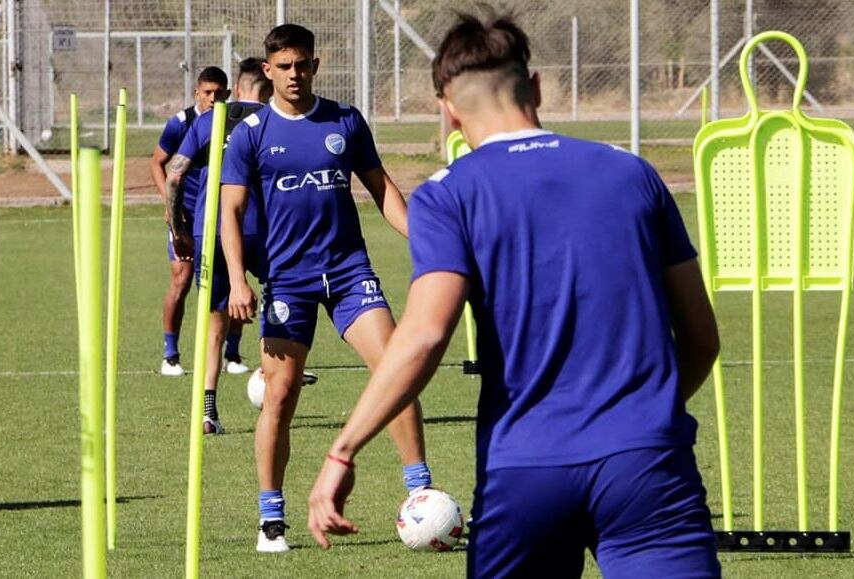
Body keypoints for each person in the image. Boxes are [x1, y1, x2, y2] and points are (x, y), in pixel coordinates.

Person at [307, 11, 722, 578]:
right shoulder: (633, 174)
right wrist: (645, 419)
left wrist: (343, 450)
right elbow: (701, 338)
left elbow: (426, 335)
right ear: (538, 87)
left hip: (526, 469)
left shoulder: (447, 196)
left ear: (448, 111)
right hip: (646, 463)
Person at [219, 24, 433, 553]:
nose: (294, 74)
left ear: (316, 65)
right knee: (280, 395)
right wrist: (237, 279)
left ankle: (421, 495)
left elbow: (384, 192)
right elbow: (231, 210)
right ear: (268, 71)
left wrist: (429, 240)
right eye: (284, 66)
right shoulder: (250, 134)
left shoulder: (345, 121)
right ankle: (272, 518)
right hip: (287, 278)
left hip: (348, 271)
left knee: (396, 372)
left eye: (303, 64)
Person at [165, 58, 275, 434]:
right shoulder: (271, 120)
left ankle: (208, 412)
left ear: (236, 90)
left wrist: (178, 226)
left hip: (209, 228)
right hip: (259, 227)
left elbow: (174, 174)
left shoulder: (207, 121)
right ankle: (271, 380)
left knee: (213, 323)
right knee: (277, 297)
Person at [152, 66, 250, 376]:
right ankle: (171, 353)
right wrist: (171, 208)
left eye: (219, 93)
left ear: (228, 94)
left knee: (235, 278)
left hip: (222, 216)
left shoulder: (237, 121)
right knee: (181, 280)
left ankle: (232, 353)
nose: (212, 98)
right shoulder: (182, 124)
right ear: (197, 93)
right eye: (207, 92)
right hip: (187, 214)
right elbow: (159, 164)